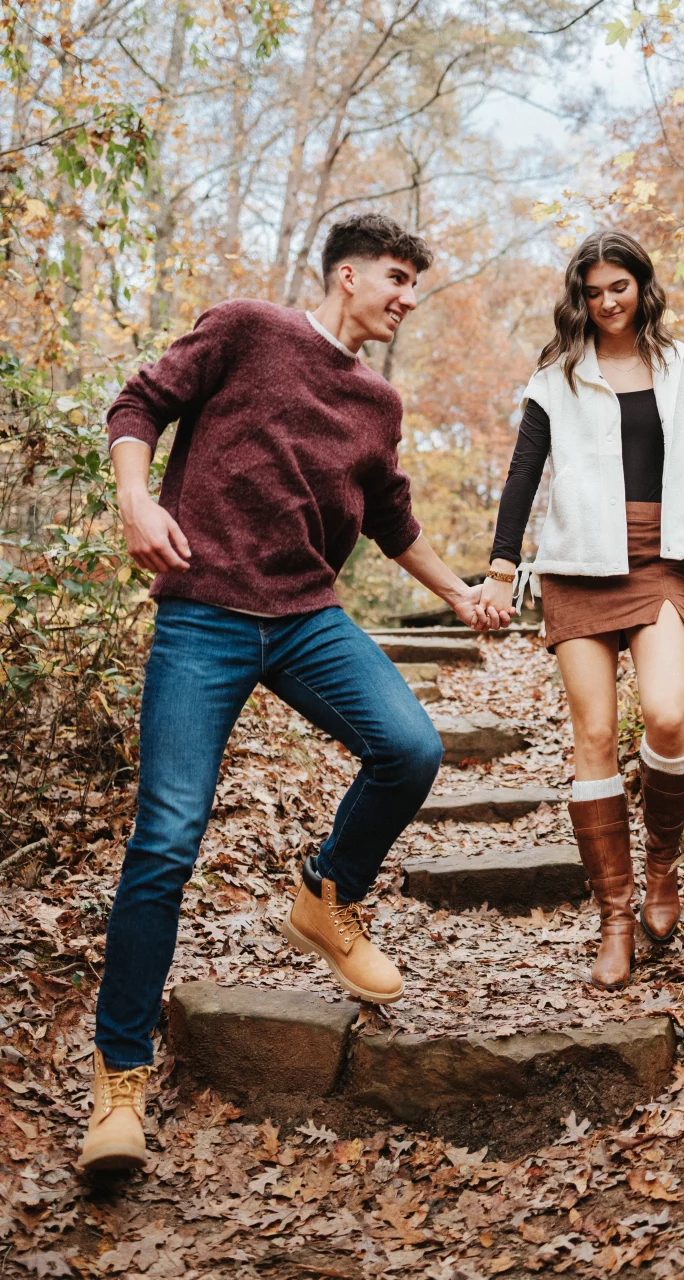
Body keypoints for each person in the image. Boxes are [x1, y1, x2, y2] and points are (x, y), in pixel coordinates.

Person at [81, 213, 510, 1173]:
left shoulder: (379, 404)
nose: (406, 297)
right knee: (166, 841)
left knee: (412, 749)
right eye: (396, 278)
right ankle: (118, 1087)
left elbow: (393, 518)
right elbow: (138, 404)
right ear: (346, 274)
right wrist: (137, 499)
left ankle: (327, 895)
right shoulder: (247, 329)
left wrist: (461, 595)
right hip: (204, 614)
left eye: (414, 284)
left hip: (309, 616)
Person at [480, 229, 684, 992]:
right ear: (579, 296)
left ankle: (663, 867)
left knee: (668, 715)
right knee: (596, 736)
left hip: (661, 558)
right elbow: (522, 474)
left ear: (642, 286)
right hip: (577, 566)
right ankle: (615, 914)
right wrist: (502, 565)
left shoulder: (680, 369)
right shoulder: (558, 377)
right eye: (593, 291)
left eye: (620, 287)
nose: (607, 302)